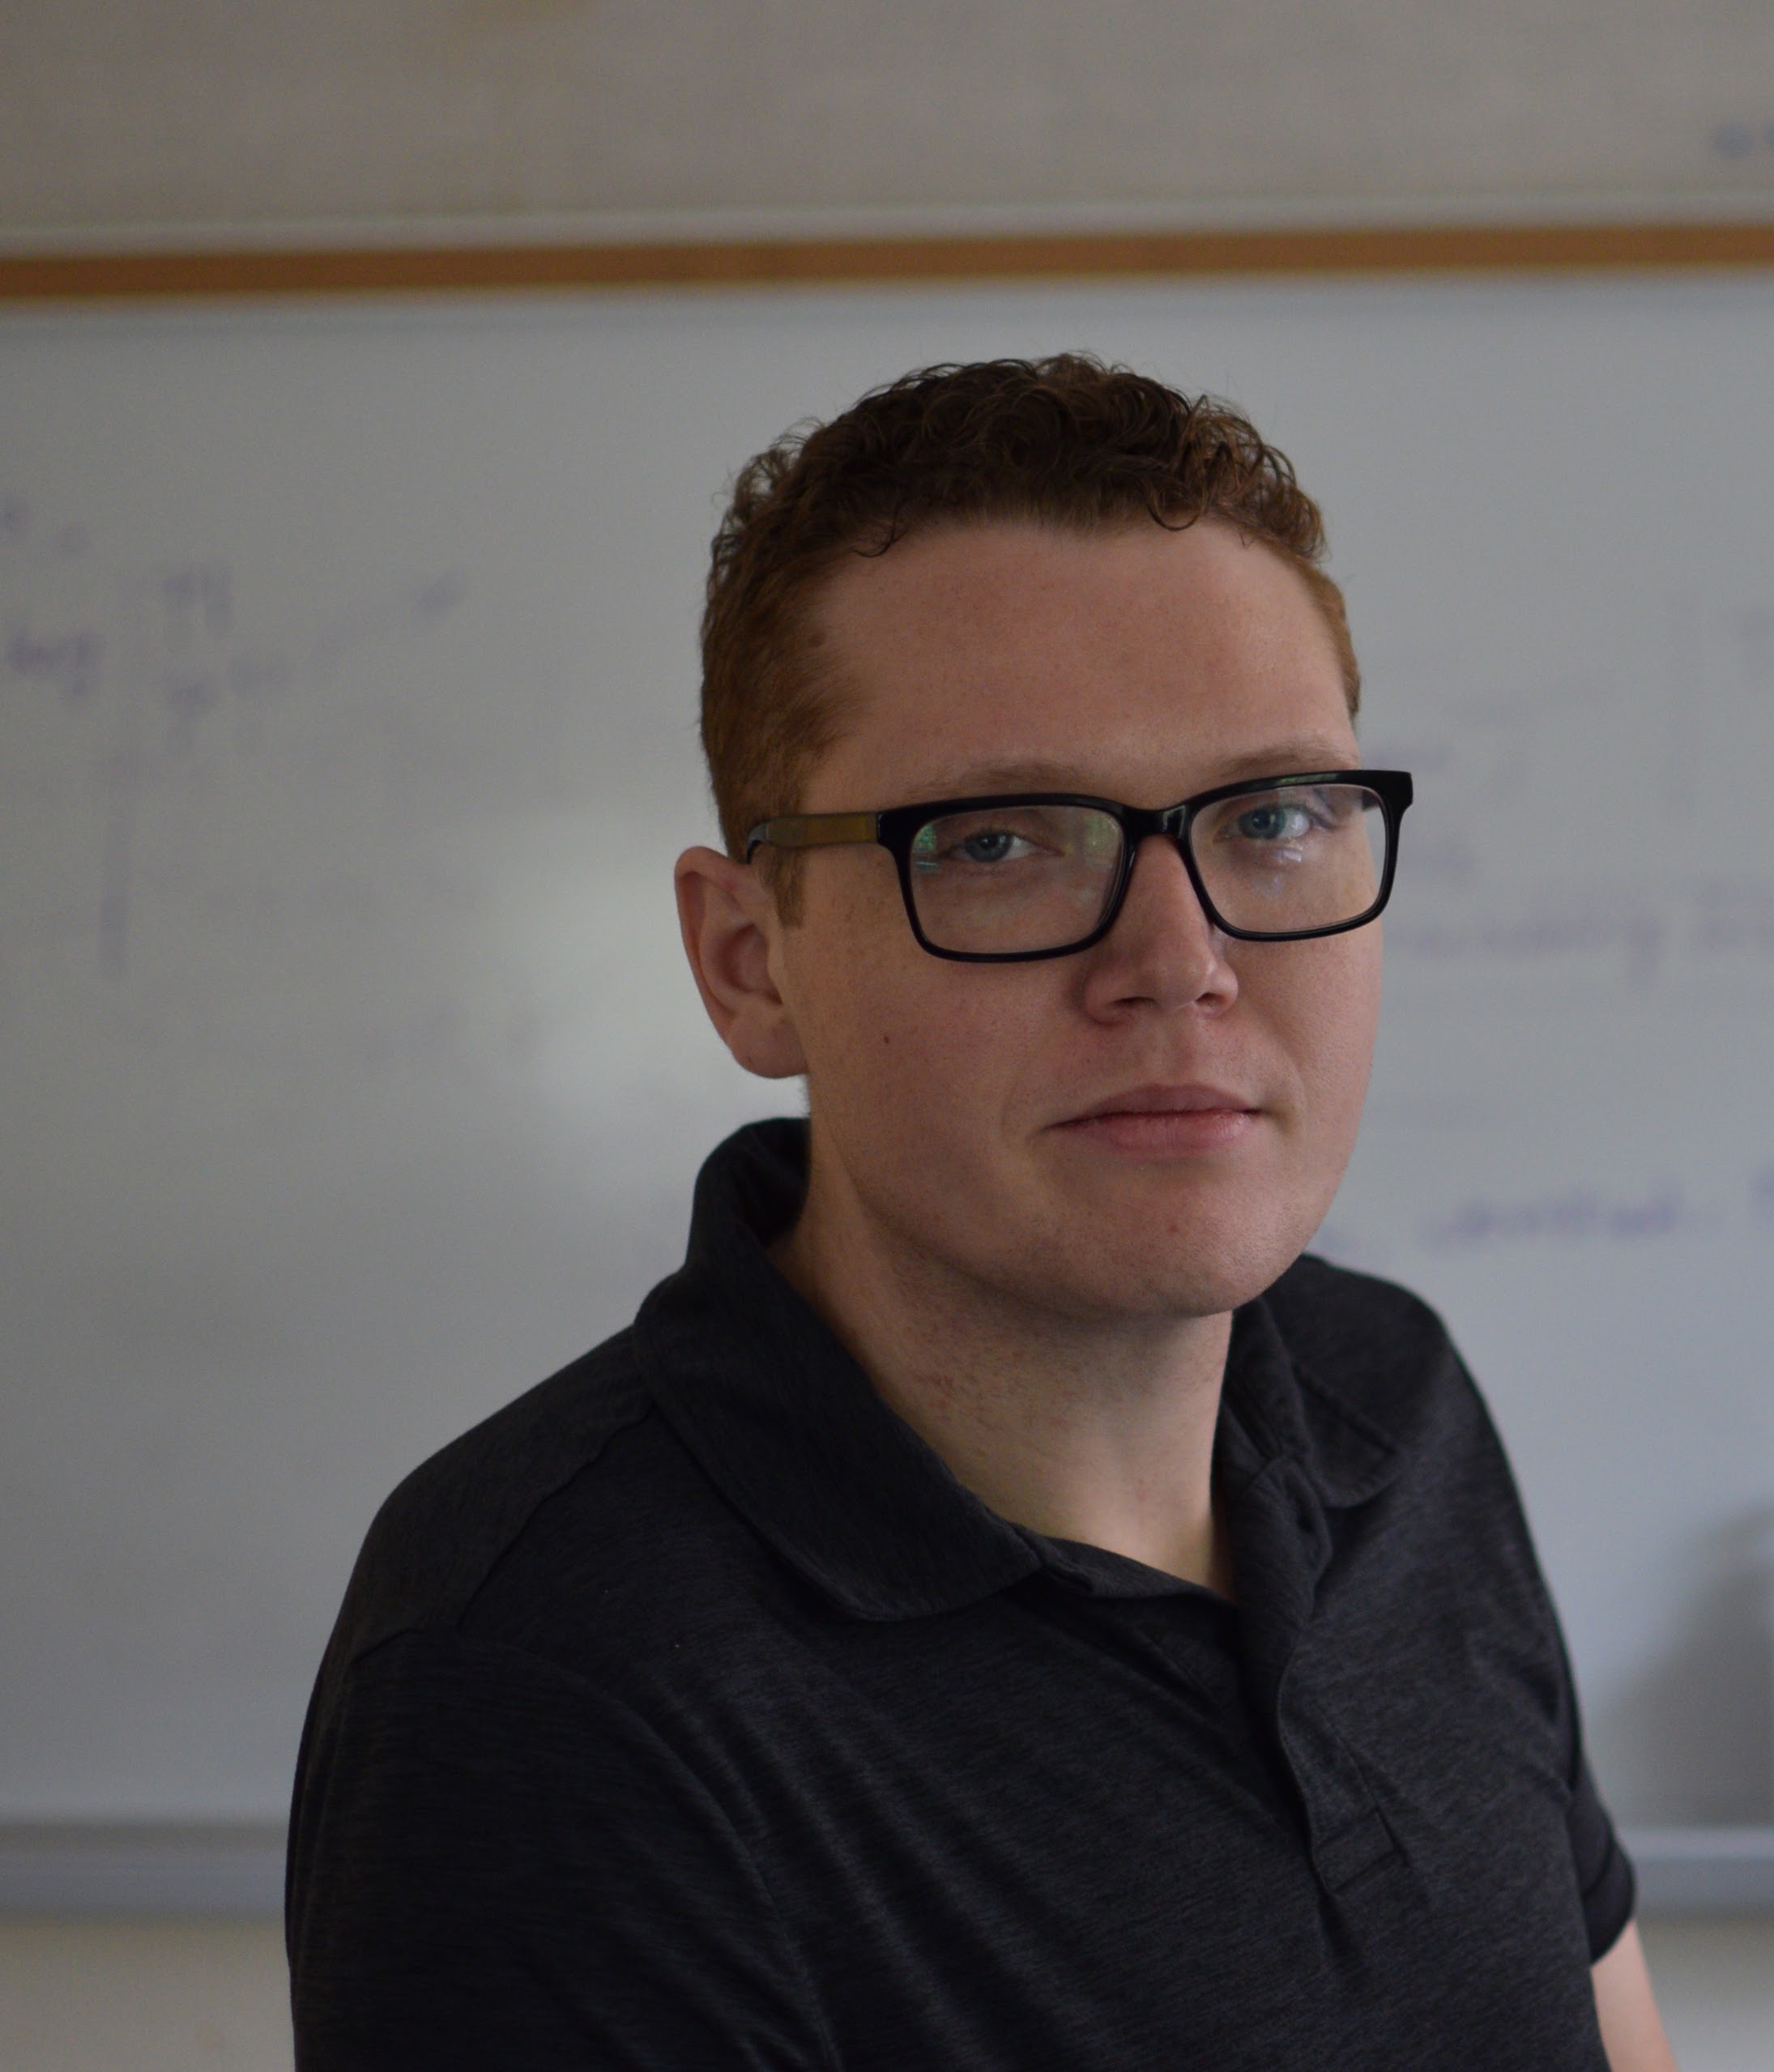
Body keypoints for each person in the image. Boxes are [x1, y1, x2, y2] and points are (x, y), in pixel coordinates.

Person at [287, 356, 1678, 2070]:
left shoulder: (1391, 1398)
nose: (1179, 962)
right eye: (1001, 842)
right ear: (750, 961)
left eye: (1274, 818)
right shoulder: (541, 1674)